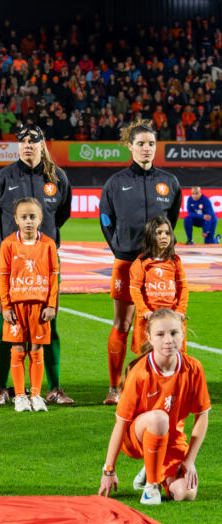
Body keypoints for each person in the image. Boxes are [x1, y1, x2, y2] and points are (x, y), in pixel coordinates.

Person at [0, 123, 73, 406]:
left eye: (33, 141)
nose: (28, 145)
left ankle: (54, 388)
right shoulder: (1, 178)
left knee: (50, 322)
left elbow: (61, 215)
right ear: (17, 145)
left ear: (43, 144)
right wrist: (7, 242)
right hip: (11, 259)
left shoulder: (57, 177)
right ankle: (0, 388)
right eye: (22, 141)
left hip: (45, 258)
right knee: (5, 323)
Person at [99, 120, 181, 405]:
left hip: (158, 266)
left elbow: (171, 220)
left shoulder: (169, 182)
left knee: (157, 323)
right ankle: (114, 387)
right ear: (130, 146)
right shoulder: (116, 182)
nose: (146, 149)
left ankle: (149, 384)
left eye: (151, 144)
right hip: (126, 263)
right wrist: (120, 250)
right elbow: (106, 221)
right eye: (141, 144)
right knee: (122, 322)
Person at [98, 309, 210, 507]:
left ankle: (153, 469)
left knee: (186, 493)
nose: (168, 340)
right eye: (160, 334)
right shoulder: (140, 372)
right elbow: (121, 423)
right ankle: (151, 487)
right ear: (149, 337)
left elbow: (202, 415)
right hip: (135, 439)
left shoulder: (193, 368)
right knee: (159, 418)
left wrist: (189, 461)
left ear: (182, 333)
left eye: (174, 333)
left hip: (172, 440)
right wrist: (109, 470)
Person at [0, 197, 59, 413]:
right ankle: (20, 396)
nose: (28, 221)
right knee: (17, 349)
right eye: (24, 217)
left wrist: (51, 305)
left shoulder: (48, 244)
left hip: (40, 308)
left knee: (37, 349)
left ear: (40, 219)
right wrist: (5, 306)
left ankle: (35, 394)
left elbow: (53, 277)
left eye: (33, 217)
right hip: (16, 307)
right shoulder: (8, 244)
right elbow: (3, 278)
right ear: (16, 219)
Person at [129, 216, 188, 354]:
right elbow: (135, 290)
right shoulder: (140, 263)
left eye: (167, 233)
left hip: (172, 317)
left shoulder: (175, 261)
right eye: (158, 233)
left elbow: (183, 287)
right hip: (149, 318)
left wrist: (180, 310)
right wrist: (144, 311)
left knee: (176, 358)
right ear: (150, 236)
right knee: (145, 360)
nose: (164, 237)